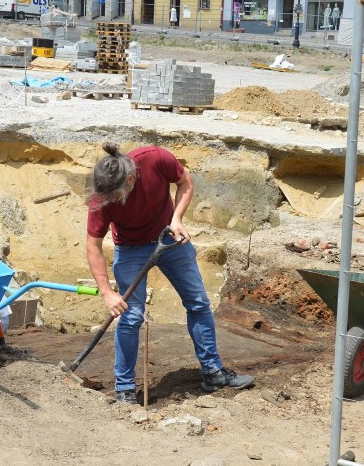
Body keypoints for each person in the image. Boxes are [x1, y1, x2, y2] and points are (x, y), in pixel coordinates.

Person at [86, 143, 254, 404]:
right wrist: (107, 292)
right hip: (130, 249)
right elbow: (93, 246)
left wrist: (177, 218)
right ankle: (125, 388)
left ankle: (213, 372)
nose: (111, 201)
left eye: (117, 195)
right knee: (130, 317)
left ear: (131, 179)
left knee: (198, 303)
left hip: (169, 238)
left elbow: (185, 182)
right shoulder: (103, 195)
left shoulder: (155, 159)